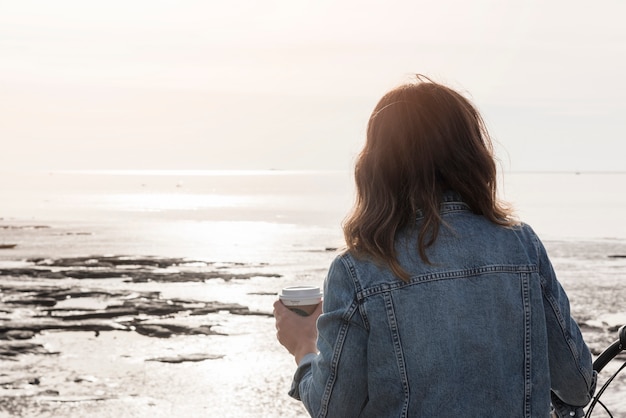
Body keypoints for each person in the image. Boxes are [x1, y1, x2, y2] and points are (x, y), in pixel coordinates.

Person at [273, 75, 596, 417]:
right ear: (474, 156)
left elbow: (333, 409)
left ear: (374, 165)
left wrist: (304, 348)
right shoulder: (521, 246)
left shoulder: (358, 269)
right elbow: (577, 385)